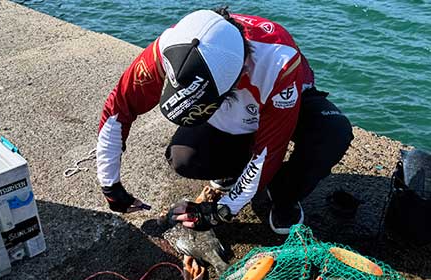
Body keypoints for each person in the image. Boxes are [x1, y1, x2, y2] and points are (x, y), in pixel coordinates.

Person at [97, 7, 353, 234]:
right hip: (236, 114)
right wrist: (110, 185)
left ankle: (285, 193)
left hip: (285, 103)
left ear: (238, 75)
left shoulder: (279, 62)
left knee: (333, 132)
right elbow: (119, 106)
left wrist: (221, 211)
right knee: (183, 158)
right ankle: (232, 170)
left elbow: (269, 152)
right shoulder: (172, 42)